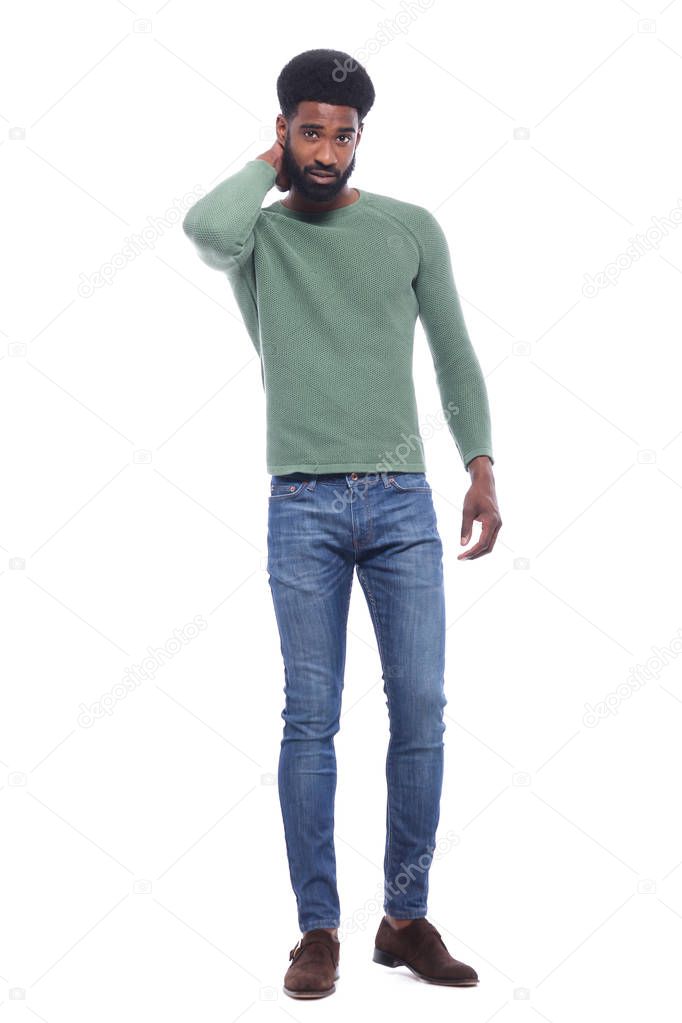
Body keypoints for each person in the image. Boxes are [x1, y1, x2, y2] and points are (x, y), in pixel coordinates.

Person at [182, 47, 502, 999]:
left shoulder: (409, 229)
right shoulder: (259, 240)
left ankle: (403, 918)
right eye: (310, 131)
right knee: (310, 718)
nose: (328, 149)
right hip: (303, 505)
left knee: (422, 710)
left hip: (402, 500)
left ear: (363, 138)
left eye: (344, 133)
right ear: (285, 132)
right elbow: (203, 226)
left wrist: (481, 465)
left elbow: (454, 355)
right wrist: (262, 164)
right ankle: (316, 928)